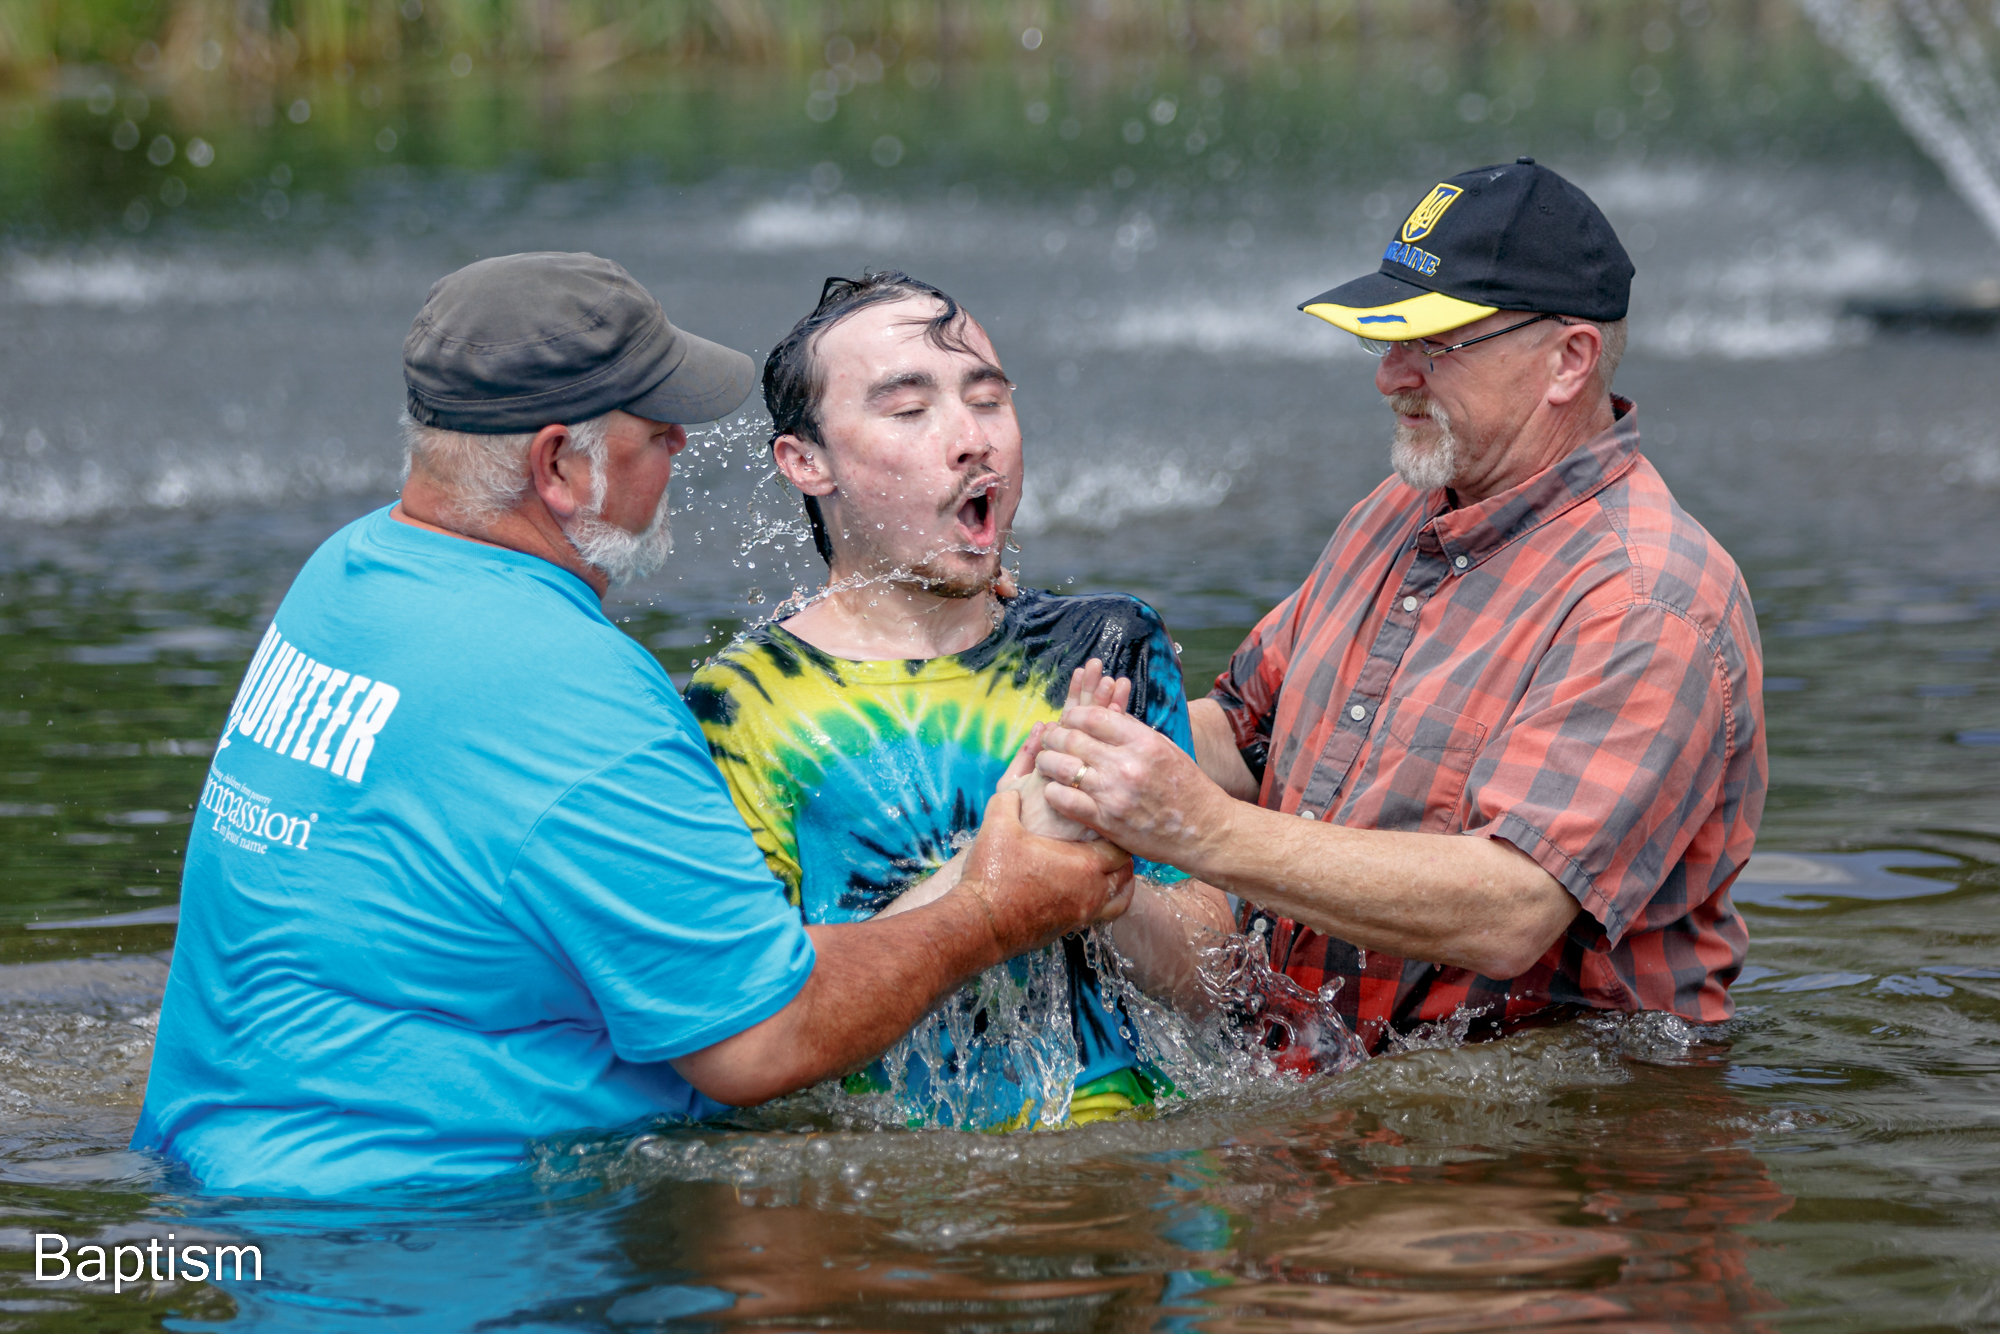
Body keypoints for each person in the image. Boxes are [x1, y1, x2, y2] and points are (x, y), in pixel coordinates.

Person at [134, 252, 1131, 1197]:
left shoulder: (349, 576)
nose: (681, 444)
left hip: (225, 1175)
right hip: (428, 1229)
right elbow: (760, 1041)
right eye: (653, 426)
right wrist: (1001, 906)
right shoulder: (563, 689)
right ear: (560, 466)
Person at [1031, 161, 1765, 1053]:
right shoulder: (1400, 509)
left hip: (1555, 1142)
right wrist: (1053, 732)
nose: (1390, 376)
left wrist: (1194, 826)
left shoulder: (1649, 599)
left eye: (1433, 344)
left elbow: (1512, 908)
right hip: (1335, 1078)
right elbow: (1237, 734)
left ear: (1567, 360)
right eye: (1383, 340)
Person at [686, 272, 1234, 1130]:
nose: (971, 439)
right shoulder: (745, 704)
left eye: (988, 400)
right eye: (909, 412)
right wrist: (1006, 863)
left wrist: (1105, 877)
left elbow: (1215, 987)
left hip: (1144, 1172)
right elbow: (759, 1033)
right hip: (900, 1210)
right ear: (807, 461)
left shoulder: (1107, 648)